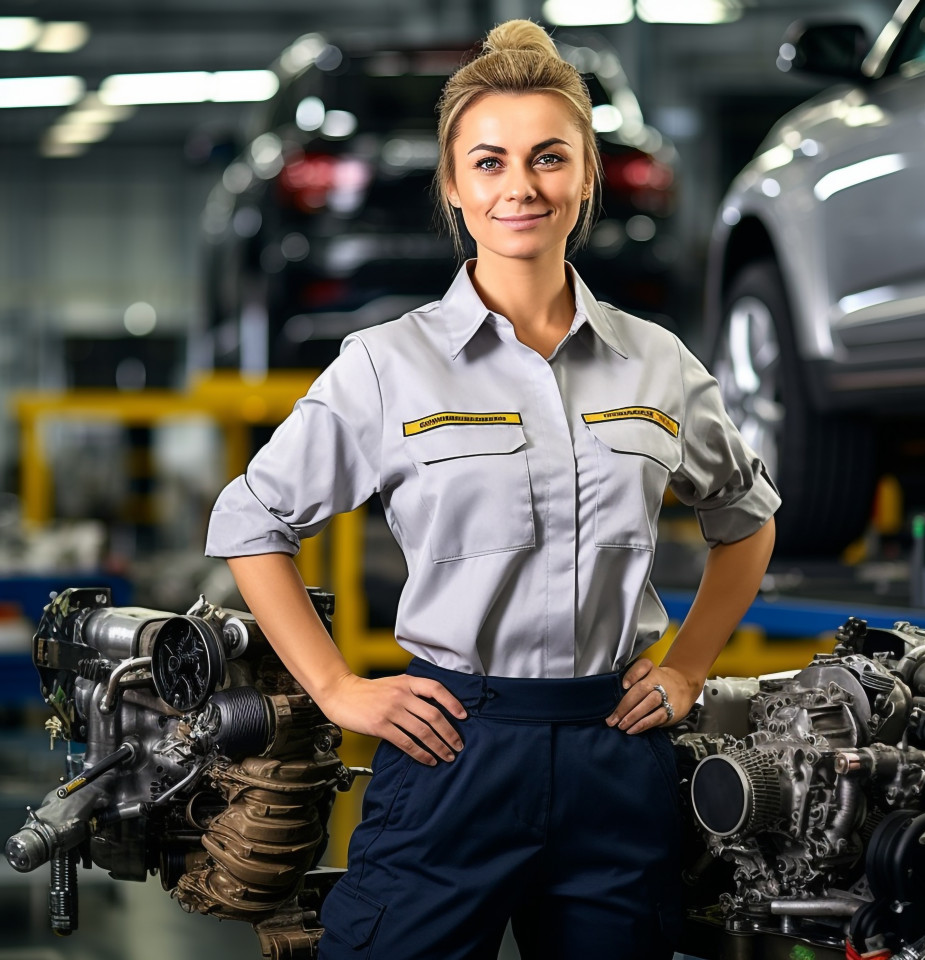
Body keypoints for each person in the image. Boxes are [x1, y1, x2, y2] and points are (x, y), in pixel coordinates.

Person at [205, 18, 779, 960]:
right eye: (490, 162)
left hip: (616, 753)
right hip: (452, 751)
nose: (521, 187)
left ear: (588, 174)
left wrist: (685, 668)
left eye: (549, 158)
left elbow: (746, 519)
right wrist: (339, 686)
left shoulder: (659, 365)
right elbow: (250, 520)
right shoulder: (388, 365)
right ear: (454, 187)